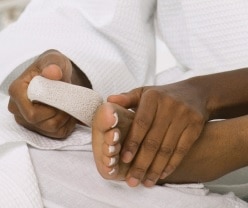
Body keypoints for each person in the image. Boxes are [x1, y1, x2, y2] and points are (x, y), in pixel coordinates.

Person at [1, 0, 248, 207]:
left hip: (208, 106)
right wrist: (69, 75)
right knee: (20, 162)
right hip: (189, 93)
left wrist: (211, 95)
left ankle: (230, 141)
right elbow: (91, 11)